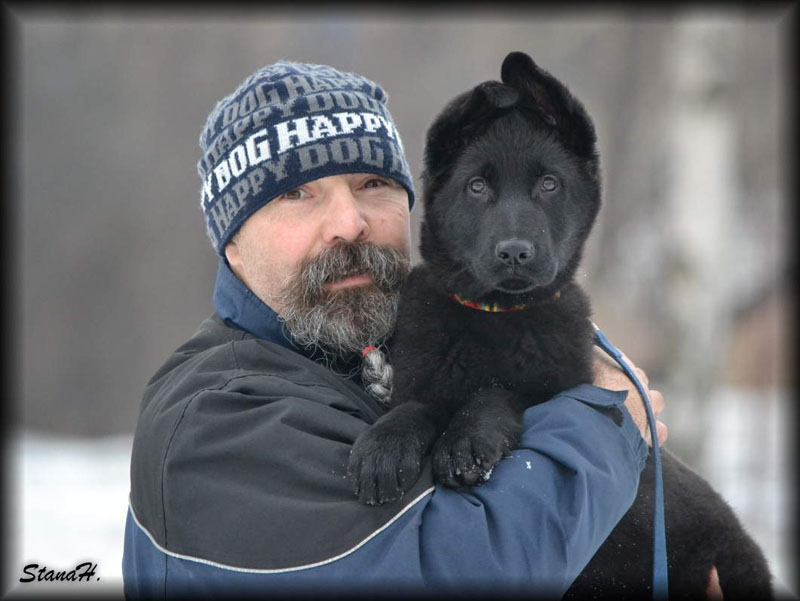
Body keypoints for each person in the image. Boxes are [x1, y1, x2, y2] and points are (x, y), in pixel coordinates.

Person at [122, 60, 669, 599]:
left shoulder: (401, 346)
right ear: (233, 245)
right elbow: (458, 569)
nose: (349, 223)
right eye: (296, 193)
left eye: (372, 184)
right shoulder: (216, 419)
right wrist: (605, 425)